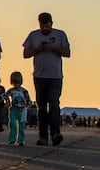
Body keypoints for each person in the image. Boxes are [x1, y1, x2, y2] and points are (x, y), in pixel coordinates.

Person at [23, 12, 70, 146]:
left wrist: (53, 47)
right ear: (39, 24)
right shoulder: (33, 35)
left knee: (54, 105)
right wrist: (38, 48)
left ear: (51, 24)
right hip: (39, 76)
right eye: (43, 26)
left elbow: (67, 53)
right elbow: (26, 54)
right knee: (42, 107)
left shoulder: (60, 34)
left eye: (47, 27)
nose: (45, 29)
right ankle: (43, 137)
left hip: (55, 77)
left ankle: (55, 133)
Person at [2, 71, 31, 145]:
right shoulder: (11, 90)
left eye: (17, 82)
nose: (16, 85)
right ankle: (12, 139)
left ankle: (21, 140)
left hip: (22, 110)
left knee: (22, 125)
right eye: (14, 83)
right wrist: (7, 101)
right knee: (13, 124)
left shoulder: (24, 91)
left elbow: (28, 100)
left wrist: (27, 106)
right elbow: (4, 95)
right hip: (13, 109)